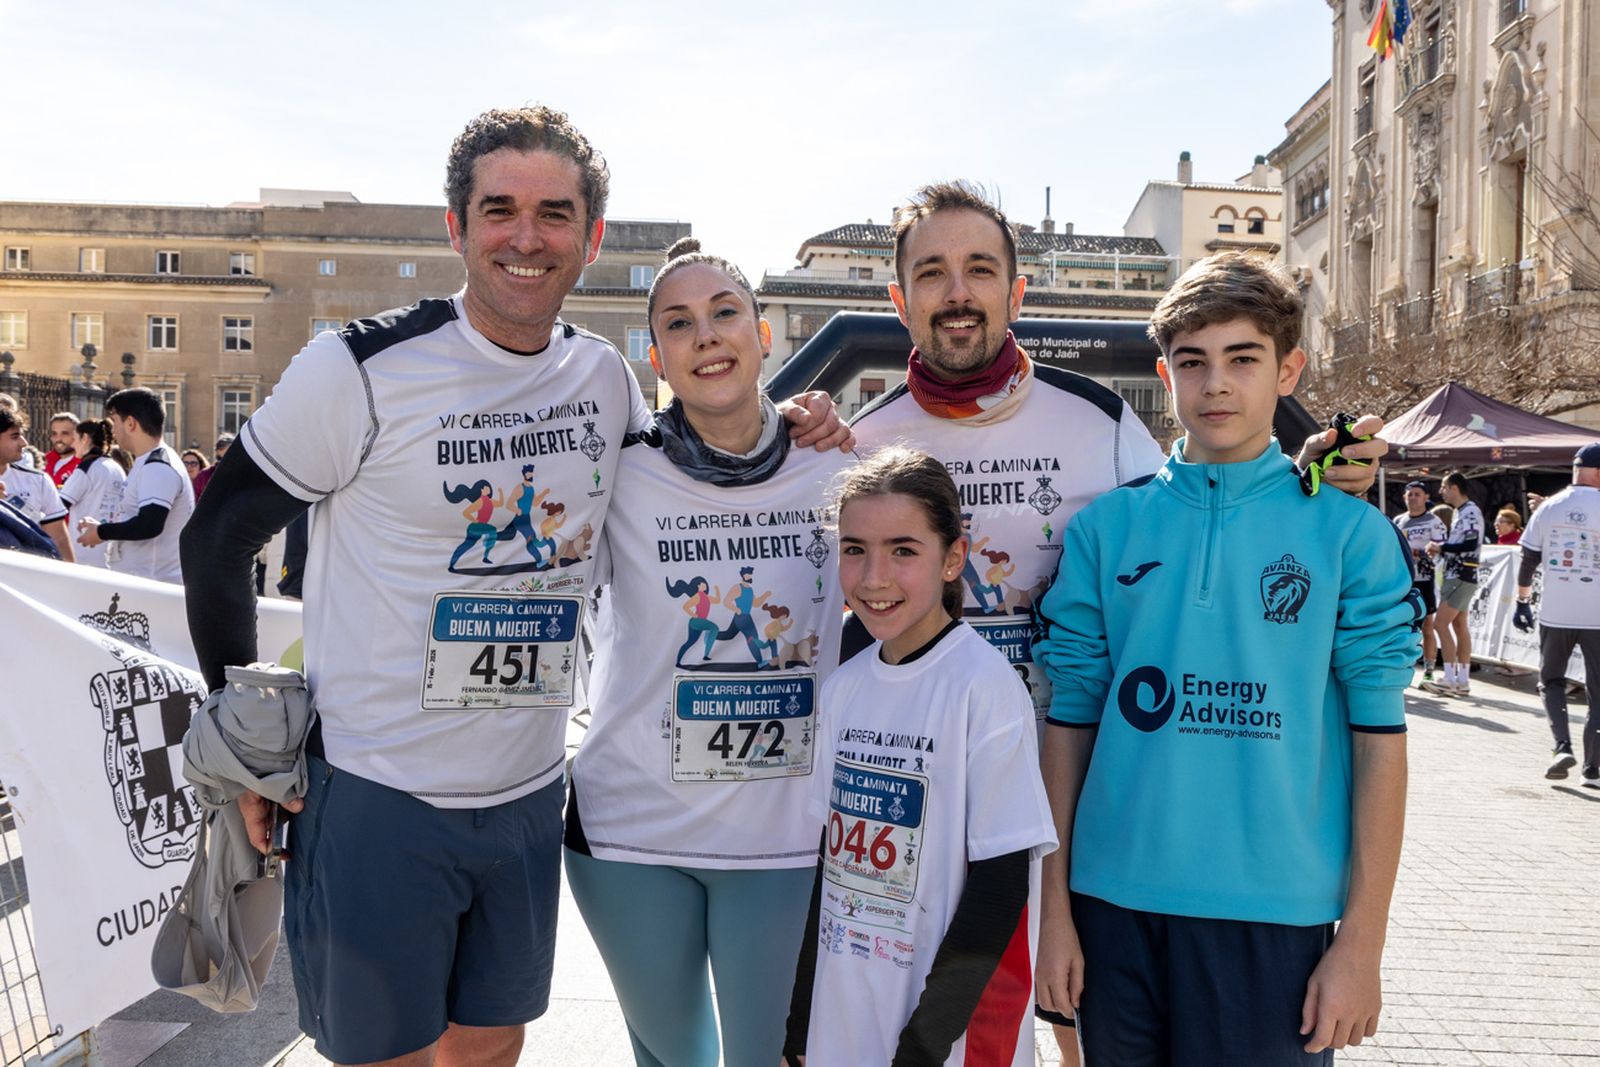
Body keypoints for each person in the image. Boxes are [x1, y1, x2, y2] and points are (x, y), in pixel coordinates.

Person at [179, 106, 847, 1067]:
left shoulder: (603, 379)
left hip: (528, 794)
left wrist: (793, 416)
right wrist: (241, 739)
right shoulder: (360, 367)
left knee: (492, 1045)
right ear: (457, 226)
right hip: (379, 792)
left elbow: (698, 457)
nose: (526, 237)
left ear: (591, 236)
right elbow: (218, 534)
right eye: (500, 209)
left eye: (554, 212)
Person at [845, 181, 1387, 1062]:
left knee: (1059, 1030)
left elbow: (1210, 479)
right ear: (897, 296)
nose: (958, 291)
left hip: (1086, 816)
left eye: (980, 268)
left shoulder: (1097, 418)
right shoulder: (856, 438)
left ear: (1016, 291)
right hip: (925, 792)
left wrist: (1307, 482)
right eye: (933, 271)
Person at [1033, 253, 1418, 1065]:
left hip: (1276, 918)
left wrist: (1363, 943)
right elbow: (1067, 722)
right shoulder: (1107, 529)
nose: (1216, 384)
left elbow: (1380, 741)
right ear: (1164, 372)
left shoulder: (1349, 535)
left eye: (1242, 359)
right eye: (1192, 361)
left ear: (1289, 369)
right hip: (1111, 906)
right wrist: (1055, 909)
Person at [564, 240, 851, 1066]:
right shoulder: (621, 468)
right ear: (658, 358)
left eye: (725, 312)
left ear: (764, 334)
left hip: (784, 833)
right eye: (679, 324)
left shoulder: (837, 459)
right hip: (631, 832)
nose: (707, 336)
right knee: (672, 1059)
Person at [783, 445, 1056, 1067]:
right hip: (844, 1019)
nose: (874, 577)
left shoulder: (983, 687)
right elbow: (833, 871)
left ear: (953, 558)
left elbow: (1000, 889)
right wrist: (800, 1029)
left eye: (903, 550)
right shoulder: (845, 688)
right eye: (855, 549)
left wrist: (924, 1048)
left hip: (944, 1037)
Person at [1513, 442, 1600, 786]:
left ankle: (1561, 744)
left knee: (1551, 681)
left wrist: (1522, 601)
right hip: (1597, 615)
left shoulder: (1549, 507)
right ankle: (1593, 769)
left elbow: (1528, 560)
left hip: (1556, 611)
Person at [76, 388, 193, 583]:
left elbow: (150, 524)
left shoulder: (157, 466)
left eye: (115, 422)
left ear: (130, 423)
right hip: (144, 580)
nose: (112, 431)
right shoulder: (150, 461)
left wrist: (101, 532)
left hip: (152, 582)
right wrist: (101, 527)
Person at [1420, 472, 1483, 698]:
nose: (1441, 491)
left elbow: (1471, 542)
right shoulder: (1462, 512)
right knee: (1459, 626)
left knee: (1440, 624)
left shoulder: (1469, 511)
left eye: (1444, 487)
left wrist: (1441, 548)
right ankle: (1462, 680)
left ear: (1455, 488)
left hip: (1461, 574)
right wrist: (1442, 547)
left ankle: (1449, 677)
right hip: (1459, 574)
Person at [0, 408, 74, 561]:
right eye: (15, 437)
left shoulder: (38, 480)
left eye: (22, 435)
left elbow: (59, 538)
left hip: (27, 575)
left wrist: (70, 581)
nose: (24, 443)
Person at [58, 417, 128, 568]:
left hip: (84, 550)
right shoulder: (116, 467)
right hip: (111, 550)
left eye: (75, 438)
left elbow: (59, 506)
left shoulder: (87, 468)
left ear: (85, 438)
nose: (72, 443)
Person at [1394, 481, 1447, 683]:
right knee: (1404, 625)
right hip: (1405, 580)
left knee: (1427, 626)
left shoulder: (1434, 521)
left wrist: (1421, 553)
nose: (1413, 498)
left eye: (1417, 494)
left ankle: (1429, 670)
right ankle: (1403, 665)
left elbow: (1442, 549)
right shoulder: (1399, 520)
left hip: (1426, 579)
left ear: (1426, 497)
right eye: (1409, 495)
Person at [43, 412, 81, 487]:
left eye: (65, 433)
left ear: (77, 435)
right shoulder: (44, 462)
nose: (58, 439)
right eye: (54, 433)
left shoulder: (83, 465)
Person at [191, 433, 232, 498]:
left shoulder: (242, 476)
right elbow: (194, 501)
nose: (225, 464)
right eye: (220, 459)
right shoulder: (204, 476)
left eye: (229, 458)